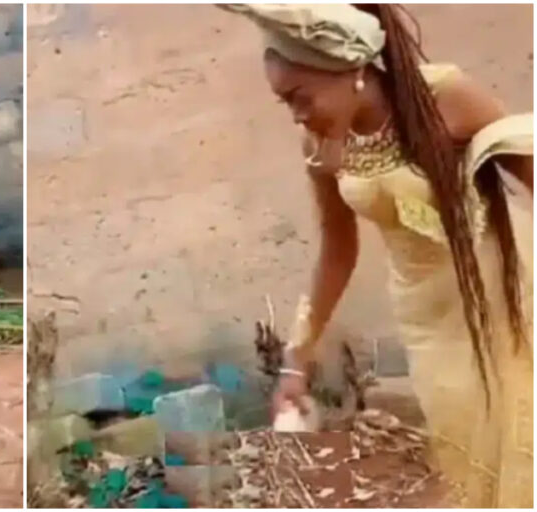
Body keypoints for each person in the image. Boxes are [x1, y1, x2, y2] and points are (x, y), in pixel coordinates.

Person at [221, 4, 532, 507]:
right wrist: (296, 361)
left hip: (502, 289)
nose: (298, 114)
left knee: (523, 436)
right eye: (285, 104)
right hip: (426, 317)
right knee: (466, 445)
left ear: (351, 70)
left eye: (301, 96)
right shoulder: (321, 148)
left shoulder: (444, 96)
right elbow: (337, 251)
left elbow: (526, 167)